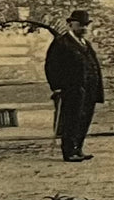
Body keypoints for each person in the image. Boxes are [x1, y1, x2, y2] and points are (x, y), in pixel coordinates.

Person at [44, 10, 104, 163]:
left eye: (86, 25)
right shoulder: (61, 43)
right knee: (72, 120)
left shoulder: (86, 44)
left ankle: (78, 148)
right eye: (80, 25)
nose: (84, 28)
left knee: (84, 119)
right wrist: (56, 87)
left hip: (88, 90)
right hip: (71, 89)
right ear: (70, 24)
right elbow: (51, 66)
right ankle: (69, 151)